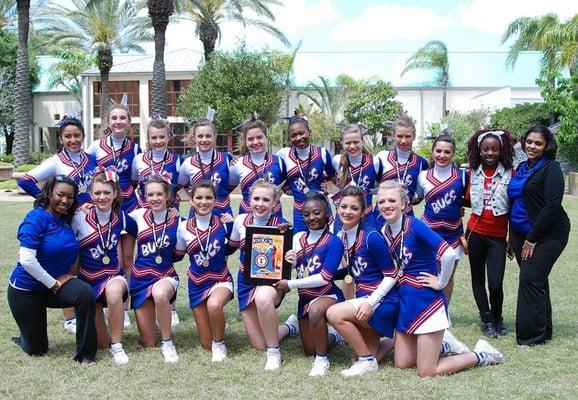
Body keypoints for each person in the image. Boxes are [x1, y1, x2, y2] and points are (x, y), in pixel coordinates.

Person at [377, 181, 503, 377]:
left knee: (426, 371)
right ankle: (444, 344)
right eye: (381, 201)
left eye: (392, 200)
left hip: (427, 302)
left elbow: (448, 254)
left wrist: (441, 282)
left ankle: (481, 354)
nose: (386, 205)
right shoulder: (385, 231)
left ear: (404, 204)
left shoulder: (416, 226)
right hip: (407, 303)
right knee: (402, 363)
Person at [18, 117, 97, 334]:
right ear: (61, 138)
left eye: (77, 135)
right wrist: (47, 200)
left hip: (88, 219)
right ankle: (70, 317)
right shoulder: (56, 161)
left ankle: (85, 309)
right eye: (68, 136)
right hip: (67, 218)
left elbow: (92, 187)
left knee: (86, 261)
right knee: (68, 263)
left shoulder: (91, 159)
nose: (73, 140)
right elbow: (25, 180)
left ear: (83, 136)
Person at [8, 175, 97, 363]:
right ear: (49, 194)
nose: (65, 200)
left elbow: (98, 201)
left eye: (70, 197)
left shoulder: (66, 218)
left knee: (85, 293)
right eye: (60, 195)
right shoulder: (36, 218)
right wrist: (53, 283)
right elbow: (26, 259)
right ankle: (26, 335)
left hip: (55, 286)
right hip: (27, 290)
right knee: (37, 349)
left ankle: (86, 355)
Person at [325, 186, 399, 376]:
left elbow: (392, 275)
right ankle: (398, 341)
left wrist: (370, 302)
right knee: (362, 356)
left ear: (363, 211)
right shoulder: (342, 235)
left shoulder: (372, 237)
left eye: (354, 208)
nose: (347, 212)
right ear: (337, 207)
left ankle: (366, 360)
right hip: (365, 297)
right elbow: (351, 270)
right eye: (344, 206)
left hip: (382, 300)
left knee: (334, 313)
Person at [507, 125, 570, 346]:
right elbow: (514, 202)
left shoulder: (551, 169)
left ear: (546, 146)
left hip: (548, 233)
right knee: (537, 280)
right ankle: (545, 329)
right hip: (520, 232)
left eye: (538, 143)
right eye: (529, 142)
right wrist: (511, 236)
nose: (532, 146)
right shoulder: (522, 167)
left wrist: (532, 239)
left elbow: (552, 206)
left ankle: (531, 336)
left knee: (530, 279)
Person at [274, 191, 345, 377]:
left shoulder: (335, 241)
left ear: (327, 215)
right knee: (309, 349)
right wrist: (284, 240)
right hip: (304, 298)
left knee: (315, 311)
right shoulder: (297, 238)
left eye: (316, 212)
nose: (311, 217)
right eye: (306, 214)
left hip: (327, 294)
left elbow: (324, 277)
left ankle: (322, 360)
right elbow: (300, 264)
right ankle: (333, 337)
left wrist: (290, 284)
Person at [227, 180, 291, 371]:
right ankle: (289, 327)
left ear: (274, 203)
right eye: (256, 198)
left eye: (266, 199)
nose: (260, 204)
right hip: (246, 281)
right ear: (249, 200)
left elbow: (289, 259)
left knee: (263, 298)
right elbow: (229, 247)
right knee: (258, 344)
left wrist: (292, 256)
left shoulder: (283, 226)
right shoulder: (240, 221)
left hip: (270, 283)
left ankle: (273, 353)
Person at [71, 168, 130, 365]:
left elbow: (161, 219)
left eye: (107, 192)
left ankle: (118, 346)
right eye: (97, 193)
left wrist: (173, 211)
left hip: (113, 275)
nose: (102, 197)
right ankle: (108, 335)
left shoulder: (123, 218)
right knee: (101, 342)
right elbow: (58, 235)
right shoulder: (79, 217)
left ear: (115, 194)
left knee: (114, 294)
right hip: (88, 278)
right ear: (90, 194)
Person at [124, 174, 182, 362]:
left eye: (159, 194)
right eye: (150, 195)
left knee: (159, 293)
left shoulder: (178, 220)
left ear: (168, 196)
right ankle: (157, 323)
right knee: (148, 342)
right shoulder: (137, 216)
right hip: (140, 279)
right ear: (144, 197)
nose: (155, 198)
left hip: (165, 276)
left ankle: (168, 342)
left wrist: (227, 220)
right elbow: (111, 218)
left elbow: (204, 228)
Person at [174, 180, 234, 362]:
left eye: (209, 198)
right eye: (199, 198)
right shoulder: (183, 227)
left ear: (215, 201)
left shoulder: (225, 223)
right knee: (205, 344)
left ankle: (220, 343)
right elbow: (178, 255)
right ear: (191, 200)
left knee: (214, 305)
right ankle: (214, 337)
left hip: (220, 279)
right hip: (197, 283)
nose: (203, 202)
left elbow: (237, 247)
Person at [464, 129, 515, 338]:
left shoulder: (511, 172)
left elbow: (515, 207)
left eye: (494, 149)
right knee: (478, 279)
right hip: (475, 233)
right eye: (486, 149)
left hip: (497, 237)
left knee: (495, 282)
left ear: (501, 149)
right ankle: (486, 319)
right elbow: (459, 201)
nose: (490, 153)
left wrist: (511, 237)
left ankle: (498, 317)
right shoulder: (471, 172)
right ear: (479, 150)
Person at [416, 135, 467, 304]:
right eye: (438, 151)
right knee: (427, 274)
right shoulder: (423, 176)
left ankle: (444, 312)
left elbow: (468, 200)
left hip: (453, 233)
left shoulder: (463, 176)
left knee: (447, 276)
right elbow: (417, 197)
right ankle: (429, 310)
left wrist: (459, 208)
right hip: (429, 232)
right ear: (432, 152)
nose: (442, 155)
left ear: (453, 154)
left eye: (447, 152)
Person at [276, 115, 335, 233]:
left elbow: (333, 176)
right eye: (293, 136)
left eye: (302, 133)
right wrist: (290, 190)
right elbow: (279, 178)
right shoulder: (283, 155)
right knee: (300, 242)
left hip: (321, 207)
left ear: (310, 132)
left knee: (326, 241)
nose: (298, 138)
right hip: (299, 210)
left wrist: (324, 186)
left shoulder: (322, 153)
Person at [374, 114, 428, 231]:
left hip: (406, 216)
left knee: (405, 248)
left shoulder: (421, 163)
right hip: (381, 215)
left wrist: (407, 200)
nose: (403, 140)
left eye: (408, 136)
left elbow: (420, 194)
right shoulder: (382, 157)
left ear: (414, 136)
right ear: (393, 136)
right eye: (399, 136)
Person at [86, 104, 141, 213]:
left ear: (129, 122)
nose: (118, 121)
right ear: (108, 122)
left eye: (123, 118)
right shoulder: (95, 146)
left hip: (129, 203)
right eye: (114, 118)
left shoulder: (135, 148)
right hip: (104, 201)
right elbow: (87, 175)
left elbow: (135, 181)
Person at [228, 117, 286, 218]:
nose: (255, 142)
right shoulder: (237, 164)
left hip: (274, 217)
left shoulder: (279, 161)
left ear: (266, 138)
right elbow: (225, 189)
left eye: (259, 137)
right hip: (247, 217)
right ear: (245, 141)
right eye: (250, 139)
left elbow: (288, 187)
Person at [177, 118, 234, 219]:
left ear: (215, 136)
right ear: (194, 138)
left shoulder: (227, 159)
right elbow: (178, 186)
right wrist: (193, 196)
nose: (204, 140)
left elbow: (232, 184)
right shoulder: (187, 163)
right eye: (200, 136)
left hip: (223, 215)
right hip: (197, 214)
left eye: (208, 136)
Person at [331, 124, 381, 231]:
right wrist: (336, 198)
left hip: (366, 216)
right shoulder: (337, 161)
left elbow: (384, 185)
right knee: (340, 245)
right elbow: (328, 182)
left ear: (362, 142)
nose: (352, 146)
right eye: (348, 143)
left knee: (369, 244)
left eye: (356, 142)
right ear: (342, 144)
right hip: (344, 216)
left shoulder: (374, 161)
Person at [132, 117, 182, 208]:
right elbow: (132, 185)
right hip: (145, 212)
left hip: (170, 213)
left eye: (162, 137)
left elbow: (184, 187)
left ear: (168, 137)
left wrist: (175, 200)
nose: (158, 141)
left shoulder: (178, 160)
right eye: (154, 138)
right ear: (148, 139)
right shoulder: (138, 159)